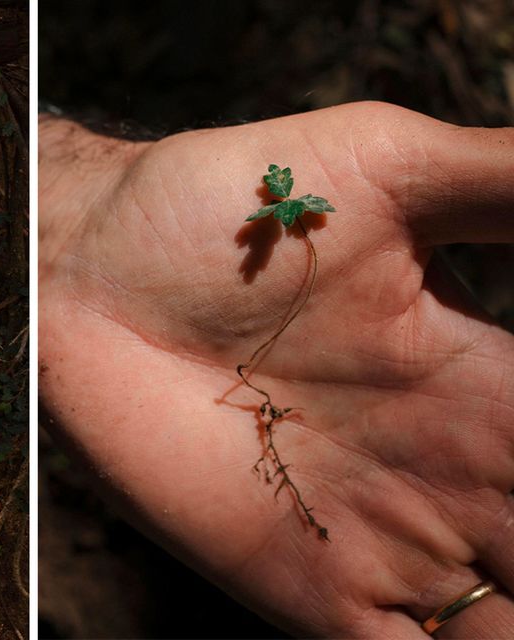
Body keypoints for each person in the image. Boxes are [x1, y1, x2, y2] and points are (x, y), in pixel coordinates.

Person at [38, 101, 514, 638]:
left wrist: (78, 201)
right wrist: (81, 211)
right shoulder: (279, 214)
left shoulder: (295, 214)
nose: (278, 194)